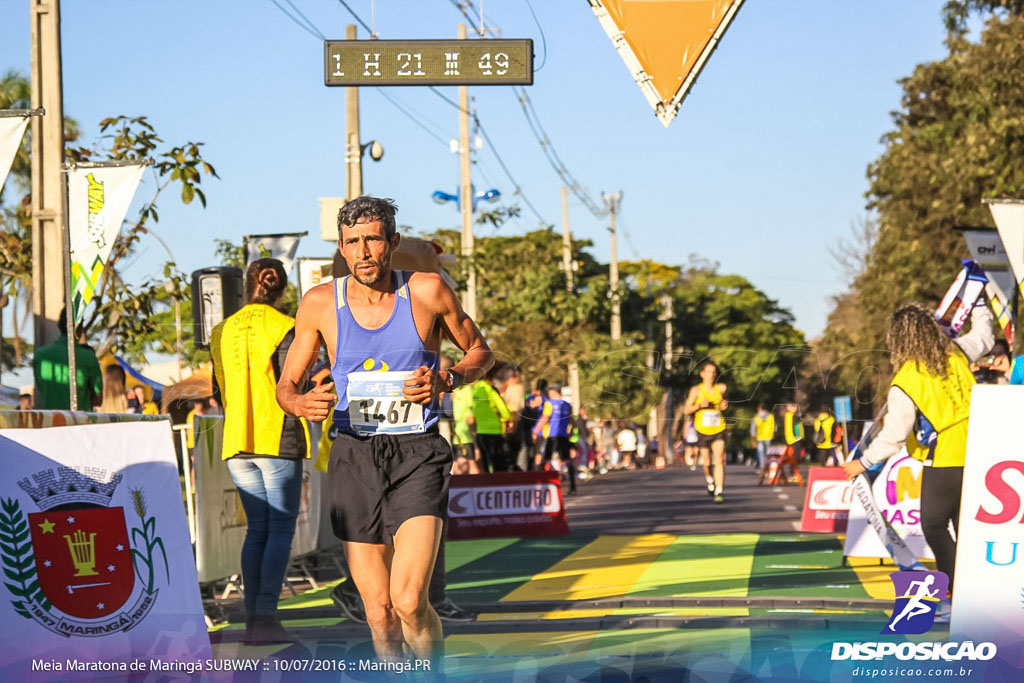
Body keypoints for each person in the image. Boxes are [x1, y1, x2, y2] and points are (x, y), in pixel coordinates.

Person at [276, 196, 492, 671]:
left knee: (410, 600)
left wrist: (449, 377)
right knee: (379, 612)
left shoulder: (428, 290)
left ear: (392, 242)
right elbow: (286, 386)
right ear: (341, 247)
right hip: (354, 454)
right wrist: (299, 402)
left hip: (418, 452)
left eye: (373, 239)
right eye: (352, 242)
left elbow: (480, 350)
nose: (364, 251)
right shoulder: (318, 303)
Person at [843, 302, 993, 597]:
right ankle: (974, 593)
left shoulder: (906, 379)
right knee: (965, 524)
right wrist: (978, 304)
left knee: (934, 524)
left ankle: (955, 590)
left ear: (898, 340)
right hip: (982, 447)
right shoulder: (957, 353)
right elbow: (985, 337)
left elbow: (895, 434)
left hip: (946, 456)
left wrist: (863, 462)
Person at [210, 257, 311, 645]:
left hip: (237, 439)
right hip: (278, 437)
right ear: (283, 290)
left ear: (246, 286)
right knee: (280, 530)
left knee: (258, 531)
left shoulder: (222, 330)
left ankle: (255, 618)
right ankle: (266, 616)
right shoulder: (285, 327)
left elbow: (218, 393)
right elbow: (294, 383)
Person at [31, 309, 102, 410]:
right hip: (80, 422)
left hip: (48, 421)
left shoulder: (40, 355)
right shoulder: (89, 356)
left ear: (59, 325)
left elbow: (41, 389)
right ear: (80, 328)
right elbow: (98, 399)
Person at [683, 361, 729, 503]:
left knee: (719, 460)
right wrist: (699, 405)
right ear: (702, 374)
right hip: (702, 430)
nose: (712, 375)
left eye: (714, 372)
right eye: (709, 372)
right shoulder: (696, 390)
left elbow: (725, 403)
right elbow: (686, 410)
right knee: (707, 462)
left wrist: (725, 405)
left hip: (719, 428)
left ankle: (719, 491)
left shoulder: (721, 388)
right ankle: (710, 480)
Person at [533, 384, 577, 494]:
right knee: (567, 461)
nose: (548, 394)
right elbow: (572, 421)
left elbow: (545, 418)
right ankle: (573, 487)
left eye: (550, 391)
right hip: (563, 436)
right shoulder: (567, 405)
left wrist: (536, 431)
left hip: (551, 436)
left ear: (554, 392)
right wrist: (571, 430)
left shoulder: (549, 404)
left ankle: (542, 487)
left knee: (545, 460)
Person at [470, 363, 512, 472]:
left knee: (485, 462)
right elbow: (505, 411)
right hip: (494, 430)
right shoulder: (489, 390)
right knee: (497, 463)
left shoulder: (474, 389)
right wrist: (503, 417)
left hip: (480, 430)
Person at [500, 365, 526, 470]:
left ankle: (513, 466)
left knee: (515, 445)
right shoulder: (510, 386)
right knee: (510, 444)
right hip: (510, 419)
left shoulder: (519, 386)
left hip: (515, 418)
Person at [781, 403, 805, 484]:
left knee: (794, 458)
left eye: (795, 406)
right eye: (792, 406)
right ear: (788, 407)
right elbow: (793, 428)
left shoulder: (791, 416)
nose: (795, 407)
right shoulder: (791, 416)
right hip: (794, 440)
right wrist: (796, 437)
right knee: (794, 458)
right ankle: (793, 475)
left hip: (794, 439)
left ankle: (792, 474)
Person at [751, 404, 775, 472]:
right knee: (768, 454)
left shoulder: (756, 417)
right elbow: (774, 427)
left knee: (761, 454)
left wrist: (754, 438)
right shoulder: (771, 416)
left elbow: (753, 429)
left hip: (760, 438)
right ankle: (768, 468)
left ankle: (762, 468)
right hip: (769, 437)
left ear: (759, 409)